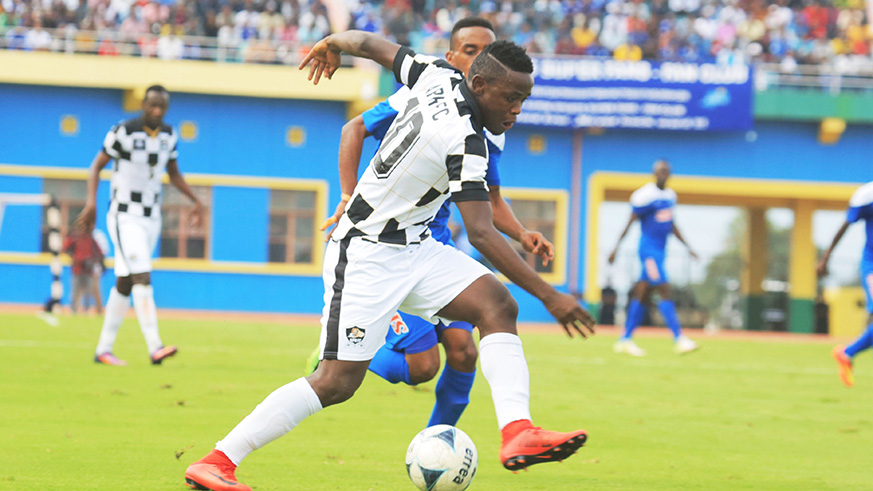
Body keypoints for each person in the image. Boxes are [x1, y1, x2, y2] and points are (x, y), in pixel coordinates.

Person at [184, 32, 595, 491]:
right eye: (511, 97)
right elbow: (480, 232)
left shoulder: (436, 73)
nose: (517, 109)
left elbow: (371, 44)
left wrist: (334, 42)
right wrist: (551, 296)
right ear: (479, 85)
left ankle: (518, 431)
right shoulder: (466, 141)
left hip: (415, 246)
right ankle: (218, 460)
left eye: (523, 99)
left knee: (496, 305)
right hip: (366, 253)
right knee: (336, 382)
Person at [310, 17, 556, 430]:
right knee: (422, 366)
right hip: (387, 243)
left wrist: (521, 232)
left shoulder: (490, 127)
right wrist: (347, 196)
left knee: (465, 350)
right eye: (471, 51)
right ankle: (334, 356)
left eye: (486, 51)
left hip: (435, 244)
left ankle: (439, 439)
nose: (478, 58)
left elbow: (490, 199)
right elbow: (354, 127)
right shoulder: (424, 90)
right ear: (453, 56)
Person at [76, 84, 203, 366]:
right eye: (152, 105)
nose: (157, 111)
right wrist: (91, 203)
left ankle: (103, 349)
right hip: (124, 215)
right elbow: (96, 166)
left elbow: (173, 173)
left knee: (125, 282)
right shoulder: (124, 131)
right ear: (143, 104)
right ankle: (155, 346)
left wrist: (196, 200)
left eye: (162, 106)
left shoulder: (169, 135)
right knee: (142, 276)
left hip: (151, 217)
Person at [607, 159, 699, 356]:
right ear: (654, 173)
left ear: (670, 173)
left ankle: (625, 339)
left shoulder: (670, 196)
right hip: (649, 252)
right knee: (664, 288)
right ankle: (679, 338)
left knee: (643, 295)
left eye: (665, 171)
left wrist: (688, 247)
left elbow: (672, 225)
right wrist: (616, 248)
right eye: (659, 171)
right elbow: (629, 222)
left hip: (661, 252)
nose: (662, 174)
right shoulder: (643, 196)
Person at [819, 181, 873, 387]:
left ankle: (847, 353)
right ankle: (847, 352)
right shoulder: (867, 195)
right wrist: (826, 258)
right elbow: (845, 225)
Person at [62, 222, 105, 315]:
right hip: (77, 269)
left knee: (88, 292)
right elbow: (66, 249)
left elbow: (99, 253)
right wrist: (75, 258)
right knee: (75, 291)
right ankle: (74, 311)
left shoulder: (91, 239)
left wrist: (91, 260)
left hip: (88, 270)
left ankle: (86, 311)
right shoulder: (75, 238)